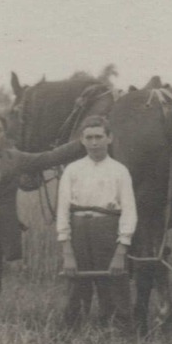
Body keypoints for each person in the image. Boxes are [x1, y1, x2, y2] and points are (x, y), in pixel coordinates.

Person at [0, 113, 84, 320]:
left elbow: (48, 158)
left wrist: (83, 141)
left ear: (4, 134)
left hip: (0, 229)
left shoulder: (15, 158)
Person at [56, 116, 136, 331]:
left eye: (99, 137)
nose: (94, 142)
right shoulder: (72, 170)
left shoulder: (120, 170)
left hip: (107, 229)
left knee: (114, 282)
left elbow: (129, 211)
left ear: (109, 138)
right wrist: (67, 250)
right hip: (79, 229)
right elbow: (62, 209)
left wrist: (122, 248)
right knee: (76, 283)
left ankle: (118, 332)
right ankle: (72, 332)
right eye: (89, 137)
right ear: (82, 140)